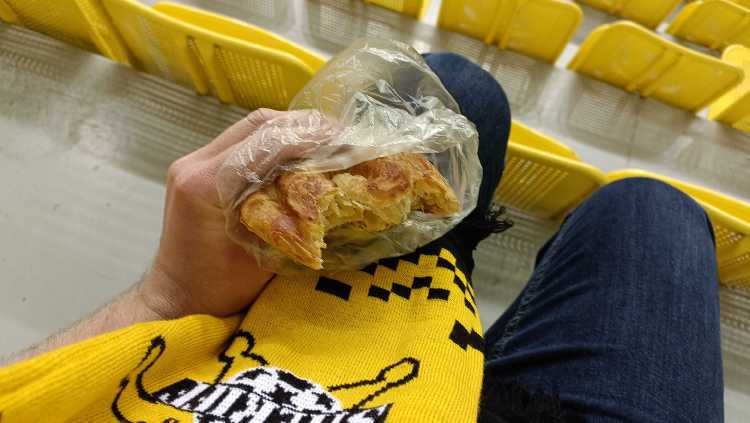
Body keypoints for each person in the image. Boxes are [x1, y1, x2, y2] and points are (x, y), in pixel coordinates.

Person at [0, 53, 723, 423]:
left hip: (229, 375)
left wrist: (168, 298)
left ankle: (448, 271)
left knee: (455, 89)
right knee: (653, 217)